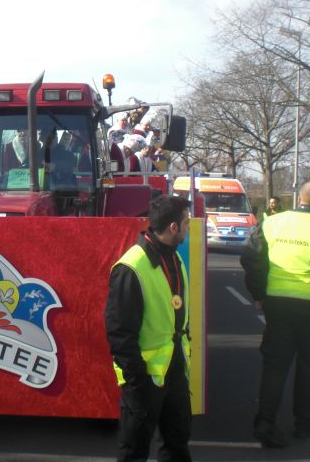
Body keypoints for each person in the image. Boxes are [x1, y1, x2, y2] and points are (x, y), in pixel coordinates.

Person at [240, 181, 310, 448]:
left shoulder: (272, 223)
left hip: (277, 304)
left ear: (298, 198)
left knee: (275, 365)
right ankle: (305, 423)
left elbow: (252, 260)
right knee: (309, 367)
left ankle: (265, 423)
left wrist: (259, 295)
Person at [104, 195, 192, 462]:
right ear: (173, 228)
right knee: (134, 451)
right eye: (186, 223)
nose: (189, 227)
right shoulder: (131, 267)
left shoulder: (173, 256)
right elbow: (119, 331)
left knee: (177, 444)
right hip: (144, 377)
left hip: (174, 369)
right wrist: (136, 377)